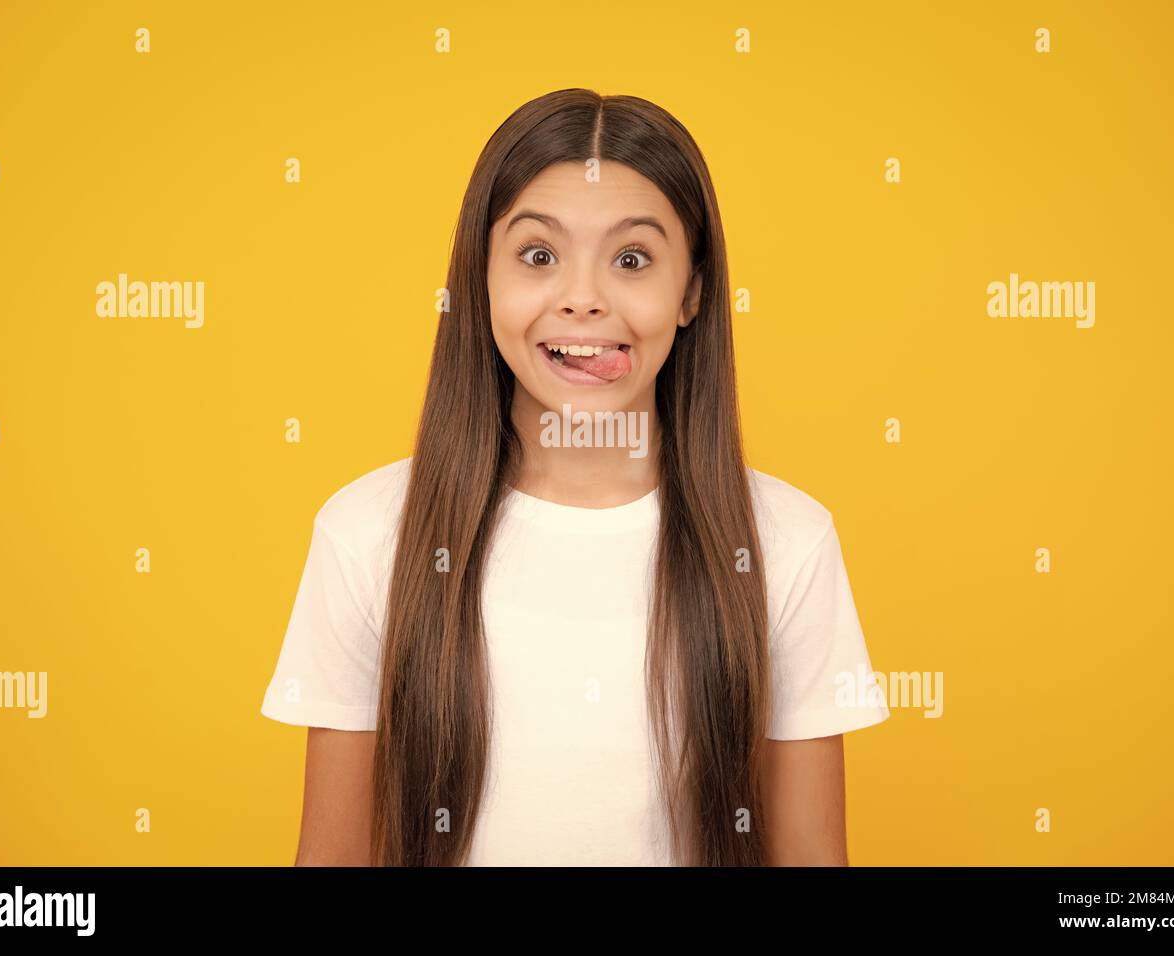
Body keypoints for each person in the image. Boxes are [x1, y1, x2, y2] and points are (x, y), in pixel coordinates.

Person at [261, 88, 889, 866]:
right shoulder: (364, 535)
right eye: (538, 256)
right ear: (481, 281)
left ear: (691, 291)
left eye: (632, 259)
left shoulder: (789, 542)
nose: (583, 299)